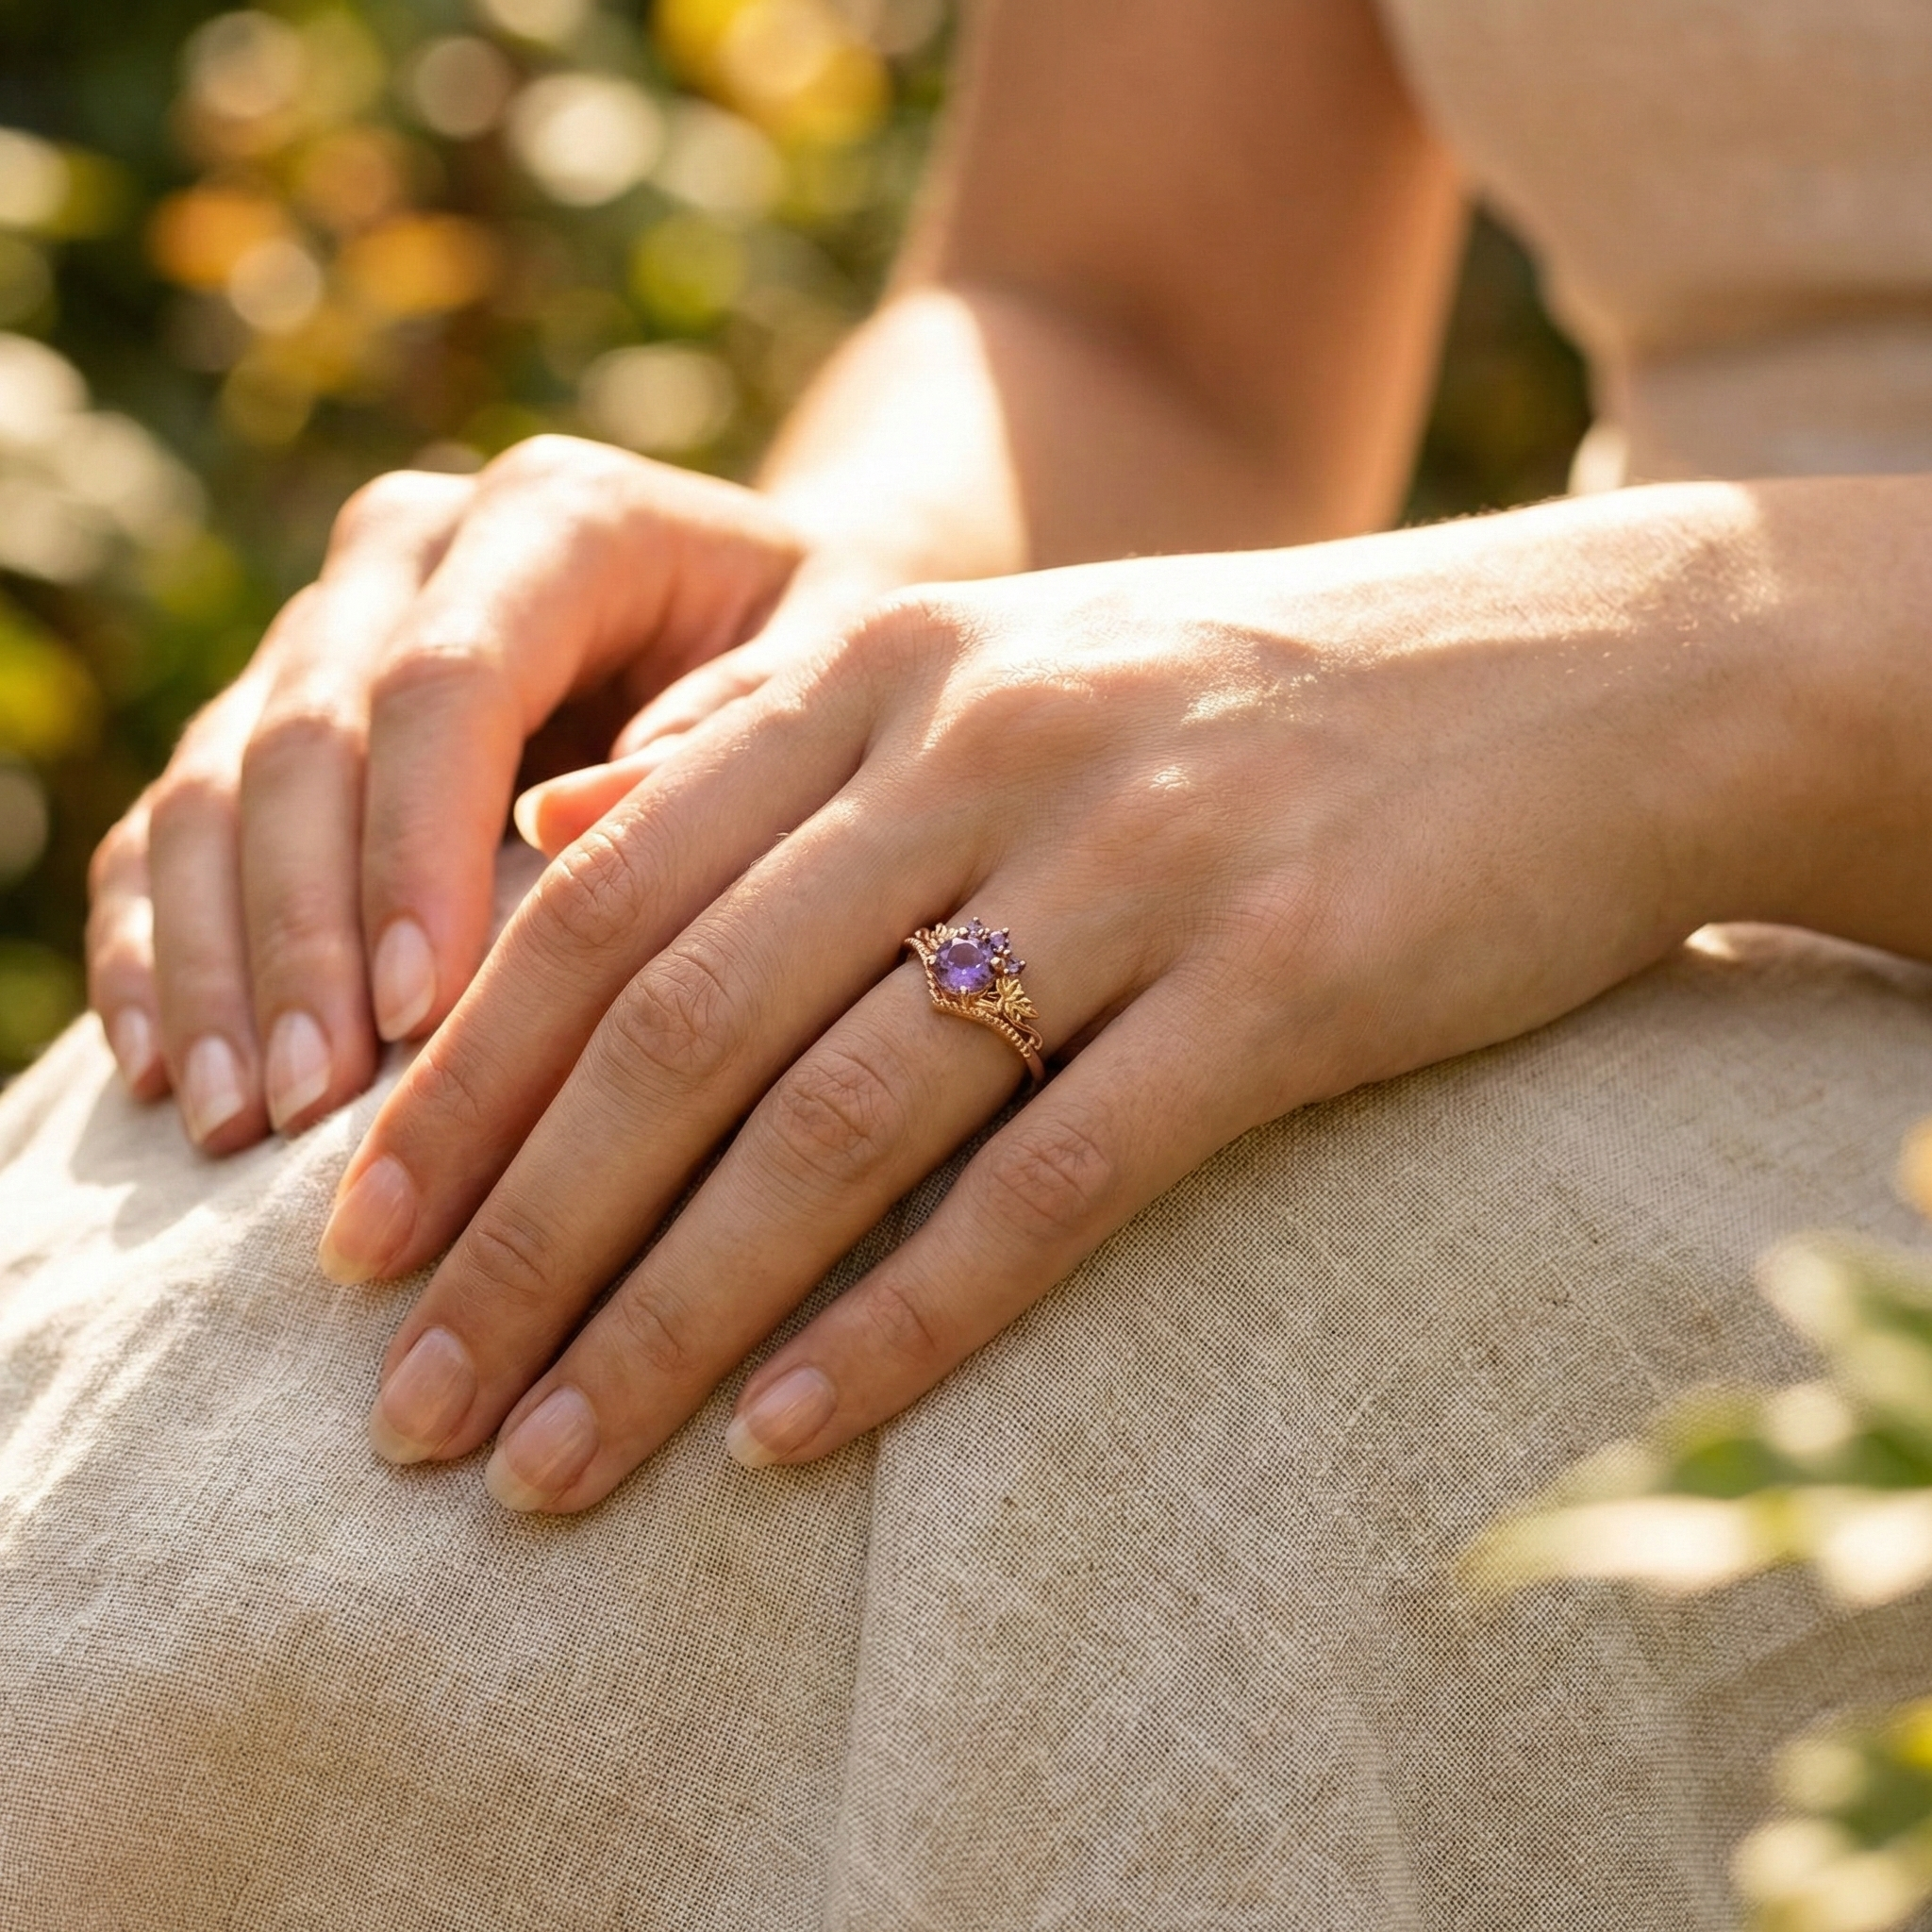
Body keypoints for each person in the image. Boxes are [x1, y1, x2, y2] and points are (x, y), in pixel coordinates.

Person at [7, 1, 1932, 1924]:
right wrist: (834, 639)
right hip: (1540, 747)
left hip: (1733, 837)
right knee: (294, 1276)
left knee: (1128, 1487)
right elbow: (1129, 322)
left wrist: (1695, 673)